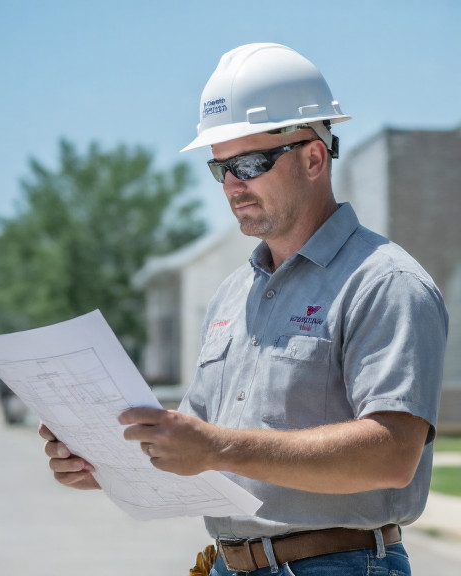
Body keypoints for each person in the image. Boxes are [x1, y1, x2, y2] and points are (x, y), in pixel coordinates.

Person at [39, 43, 448, 575]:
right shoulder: (233, 295)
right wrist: (106, 462)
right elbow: (198, 448)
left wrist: (217, 448)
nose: (233, 184)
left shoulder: (383, 281)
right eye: (221, 167)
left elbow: (393, 453)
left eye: (250, 163)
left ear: (313, 157)